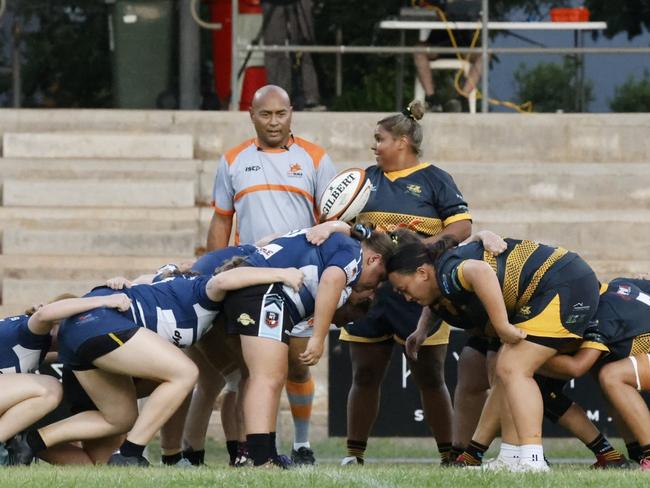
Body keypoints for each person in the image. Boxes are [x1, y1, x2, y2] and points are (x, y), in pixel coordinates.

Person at [16, 263, 304, 467]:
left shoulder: (176, 298)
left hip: (80, 338)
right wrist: (283, 273)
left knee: (121, 417)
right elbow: (222, 279)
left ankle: (31, 442)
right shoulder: (203, 288)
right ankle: (130, 454)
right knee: (184, 373)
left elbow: (146, 280)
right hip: (96, 324)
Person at [205, 84, 336, 465]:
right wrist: (216, 268)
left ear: (292, 113)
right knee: (259, 368)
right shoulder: (232, 160)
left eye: (281, 114)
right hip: (252, 276)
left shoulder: (315, 157)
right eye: (266, 114)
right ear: (252, 115)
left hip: (300, 277)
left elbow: (331, 219)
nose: (274, 122)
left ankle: (301, 442)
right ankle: (254, 449)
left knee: (295, 362)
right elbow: (221, 219)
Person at [391, 234, 601, 471]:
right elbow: (437, 301)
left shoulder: (447, 272)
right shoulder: (440, 278)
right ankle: (511, 457)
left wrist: (501, 326)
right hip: (560, 281)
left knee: (513, 368)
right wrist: (421, 331)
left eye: (404, 289)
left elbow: (480, 271)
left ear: (422, 273)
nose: (407, 297)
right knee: (505, 370)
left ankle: (533, 460)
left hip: (564, 284)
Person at [337, 99, 471, 466]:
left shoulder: (435, 178)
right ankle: (354, 453)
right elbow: (343, 223)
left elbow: (462, 226)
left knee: (430, 374)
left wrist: (427, 246)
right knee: (364, 373)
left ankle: (449, 454)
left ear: (401, 141)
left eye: (379, 138)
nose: (374, 146)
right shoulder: (364, 180)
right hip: (370, 292)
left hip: (417, 292)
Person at [222, 227, 394, 467]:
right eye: (380, 277)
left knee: (274, 376)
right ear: (374, 259)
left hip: (261, 290)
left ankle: (266, 452)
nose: (374, 287)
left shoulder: (341, 242)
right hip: (264, 292)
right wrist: (318, 338)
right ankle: (260, 457)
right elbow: (331, 280)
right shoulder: (354, 252)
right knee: (266, 377)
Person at [0, 294, 131, 465]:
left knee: (88, 466)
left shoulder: (43, 350)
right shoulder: (31, 330)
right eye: (77, 325)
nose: (80, 333)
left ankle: (19, 443)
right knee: (50, 388)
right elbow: (43, 315)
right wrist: (105, 300)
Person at [542, 277, 650, 470]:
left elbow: (577, 367)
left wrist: (527, 360)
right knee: (604, 367)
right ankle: (634, 453)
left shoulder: (601, 317)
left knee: (612, 375)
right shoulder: (619, 284)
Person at [411, 0, 483, 112]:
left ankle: (462, 99)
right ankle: (432, 101)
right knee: (419, 50)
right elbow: (418, 5)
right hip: (437, 46)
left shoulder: (472, 4)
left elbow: (481, 11)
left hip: (463, 48)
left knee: (484, 54)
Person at [261, 0, 323, 110]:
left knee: (306, 46)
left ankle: (310, 98)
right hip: (272, 4)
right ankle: (278, 98)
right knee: (274, 48)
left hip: (301, 3)